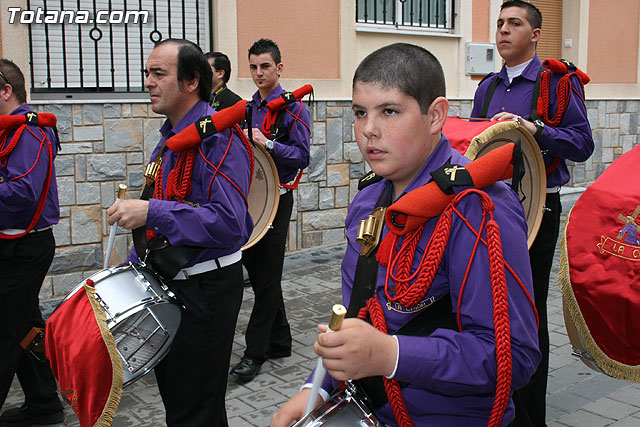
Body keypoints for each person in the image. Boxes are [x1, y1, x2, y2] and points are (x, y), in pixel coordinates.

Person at [272, 43, 541, 426]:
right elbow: (359, 318)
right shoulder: (368, 201)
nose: (368, 130)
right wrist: (314, 389)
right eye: (360, 112)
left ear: (435, 116)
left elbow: (514, 357)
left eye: (390, 111)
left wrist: (392, 355)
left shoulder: (479, 209)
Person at [106, 39, 253, 426]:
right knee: (180, 404)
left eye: (159, 74)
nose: (149, 82)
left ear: (191, 81)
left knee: (195, 411)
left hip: (205, 291)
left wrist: (151, 211)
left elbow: (230, 223)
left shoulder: (218, 137)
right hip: (173, 285)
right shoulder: (171, 137)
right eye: (147, 74)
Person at [471, 2, 594, 425]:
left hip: (535, 212)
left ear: (536, 34)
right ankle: (496, 401)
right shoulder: (486, 88)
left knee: (528, 313)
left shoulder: (557, 84)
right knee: (488, 308)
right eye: (500, 23)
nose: (503, 31)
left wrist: (535, 129)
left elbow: (582, 144)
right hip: (486, 212)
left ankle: (529, 416)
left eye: (514, 24)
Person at [229, 38, 310, 383]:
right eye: (253, 67)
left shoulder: (295, 110)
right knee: (260, 271)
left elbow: (302, 156)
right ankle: (280, 340)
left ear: (279, 68)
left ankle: (254, 353)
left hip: (278, 199)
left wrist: (270, 143)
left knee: (266, 274)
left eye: (265, 66)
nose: (258, 73)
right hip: (252, 199)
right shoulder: (248, 108)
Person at [0, 59, 65, 426]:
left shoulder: (30, 131)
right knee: (24, 327)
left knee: (5, 331)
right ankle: (44, 404)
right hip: (11, 245)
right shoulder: (9, 131)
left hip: (26, 248)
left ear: (6, 90)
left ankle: (45, 404)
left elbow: (23, 191)